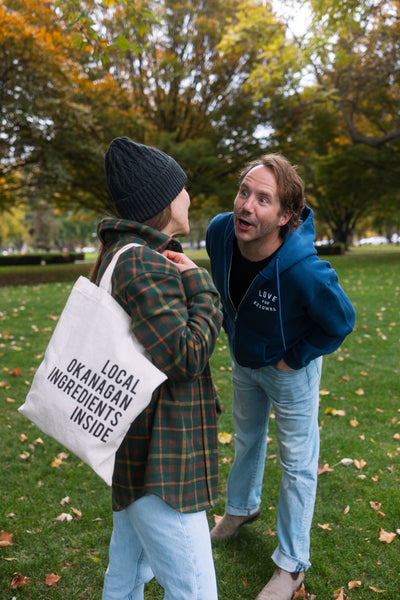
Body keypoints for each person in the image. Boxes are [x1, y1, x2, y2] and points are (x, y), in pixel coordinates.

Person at [206, 153, 356, 600]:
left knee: (297, 465)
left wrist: (297, 358)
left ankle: (290, 567)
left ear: (286, 215)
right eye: (244, 192)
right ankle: (240, 510)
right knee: (247, 438)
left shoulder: (304, 270)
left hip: (291, 373)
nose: (246, 206)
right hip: (245, 359)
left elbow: (341, 320)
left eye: (263, 200)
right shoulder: (219, 233)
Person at [93, 136, 223, 600]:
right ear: (164, 201)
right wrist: (202, 287)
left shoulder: (126, 253)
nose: (188, 196)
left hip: (138, 448)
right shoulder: (144, 264)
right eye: (182, 188)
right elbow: (185, 355)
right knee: (195, 591)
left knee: (126, 575)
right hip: (162, 461)